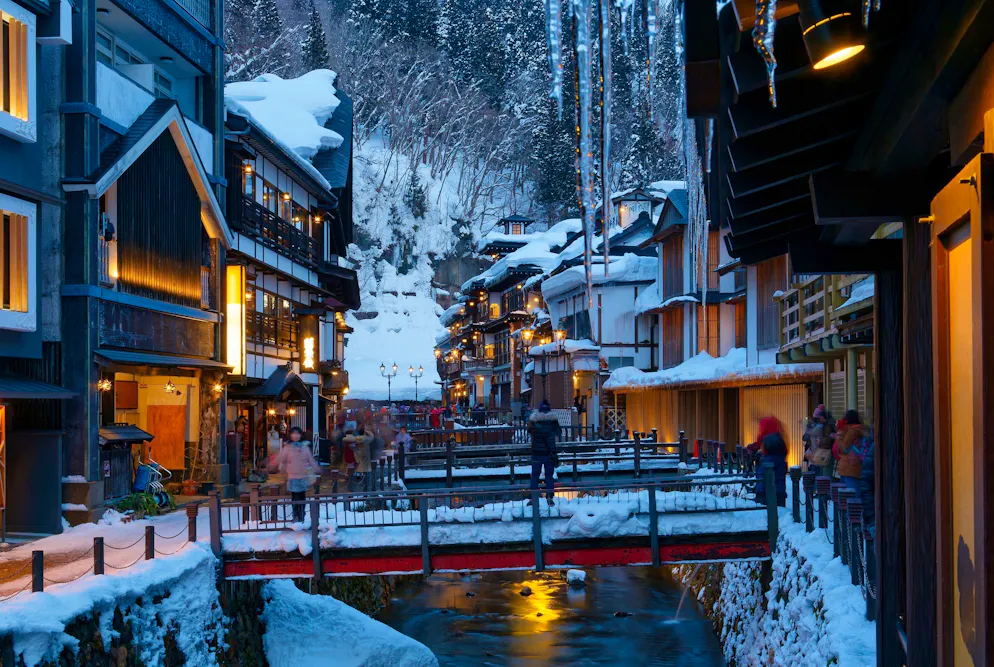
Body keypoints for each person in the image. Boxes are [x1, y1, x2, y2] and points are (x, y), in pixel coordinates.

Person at [273, 427, 318, 523]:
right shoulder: (288, 447)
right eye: (293, 433)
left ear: (301, 435)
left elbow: (311, 460)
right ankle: (295, 515)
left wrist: (318, 469)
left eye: (297, 433)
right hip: (292, 476)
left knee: (302, 497)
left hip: (302, 476)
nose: (295, 435)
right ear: (290, 435)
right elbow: (280, 458)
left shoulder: (305, 447)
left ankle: (301, 515)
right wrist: (272, 464)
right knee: (294, 497)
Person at [528, 400, 560, 505]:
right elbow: (558, 433)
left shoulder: (534, 421)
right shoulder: (552, 422)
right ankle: (549, 498)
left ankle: (533, 498)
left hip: (536, 453)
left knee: (535, 476)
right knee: (549, 476)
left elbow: (529, 431)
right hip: (548, 454)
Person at [753, 417, 787, 507]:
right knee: (779, 478)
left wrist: (754, 448)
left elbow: (759, 441)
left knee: (762, 474)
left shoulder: (765, 432)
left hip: (769, 456)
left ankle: (761, 495)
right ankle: (780, 497)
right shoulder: (778, 433)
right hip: (780, 456)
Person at [835, 409, 864, 492]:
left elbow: (844, 448)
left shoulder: (851, 431)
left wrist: (839, 439)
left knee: (850, 498)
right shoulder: (860, 430)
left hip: (849, 467)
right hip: (855, 467)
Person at [802, 404, 835, 476]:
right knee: (818, 474)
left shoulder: (821, 427)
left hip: (819, 453)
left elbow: (807, 436)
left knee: (818, 474)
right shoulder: (822, 426)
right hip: (817, 453)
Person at [344, 426, 373, 491]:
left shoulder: (355, 439)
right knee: (364, 466)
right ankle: (363, 478)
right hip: (365, 454)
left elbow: (350, 445)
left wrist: (355, 450)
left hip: (358, 454)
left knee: (357, 465)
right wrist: (368, 432)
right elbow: (372, 436)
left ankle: (355, 475)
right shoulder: (367, 439)